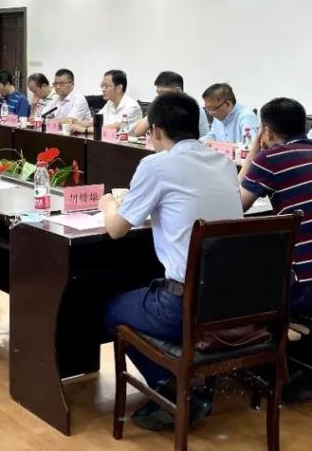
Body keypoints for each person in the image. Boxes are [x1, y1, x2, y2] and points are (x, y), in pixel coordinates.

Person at [100, 92, 243, 430]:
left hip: (185, 307)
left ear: (156, 130)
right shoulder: (224, 163)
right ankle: (190, 379)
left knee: (112, 310)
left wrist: (108, 203)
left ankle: (172, 387)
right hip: (234, 303)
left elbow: (116, 229)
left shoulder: (156, 165)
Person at [238, 98, 312, 320]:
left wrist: (253, 153)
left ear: (266, 131)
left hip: (308, 292)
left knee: (240, 271)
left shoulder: (270, 158)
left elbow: (235, 205)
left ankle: (268, 335)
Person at [132, 71, 209, 138]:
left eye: (162, 93)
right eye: (158, 93)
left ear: (177, 90)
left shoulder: (192, 108)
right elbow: (138, 132)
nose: (159, 97)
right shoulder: (162, 106)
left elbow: (203, 138)